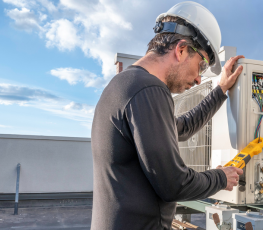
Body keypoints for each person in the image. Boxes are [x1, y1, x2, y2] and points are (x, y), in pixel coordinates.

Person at [91, 2, 244, 229]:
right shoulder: (149, 90)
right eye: (201, 66)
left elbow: (182, 126)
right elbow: (174, 184)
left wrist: (220, 90)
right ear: (181, 50)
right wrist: (221, 177)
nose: (199, 79)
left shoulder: (125, 85)